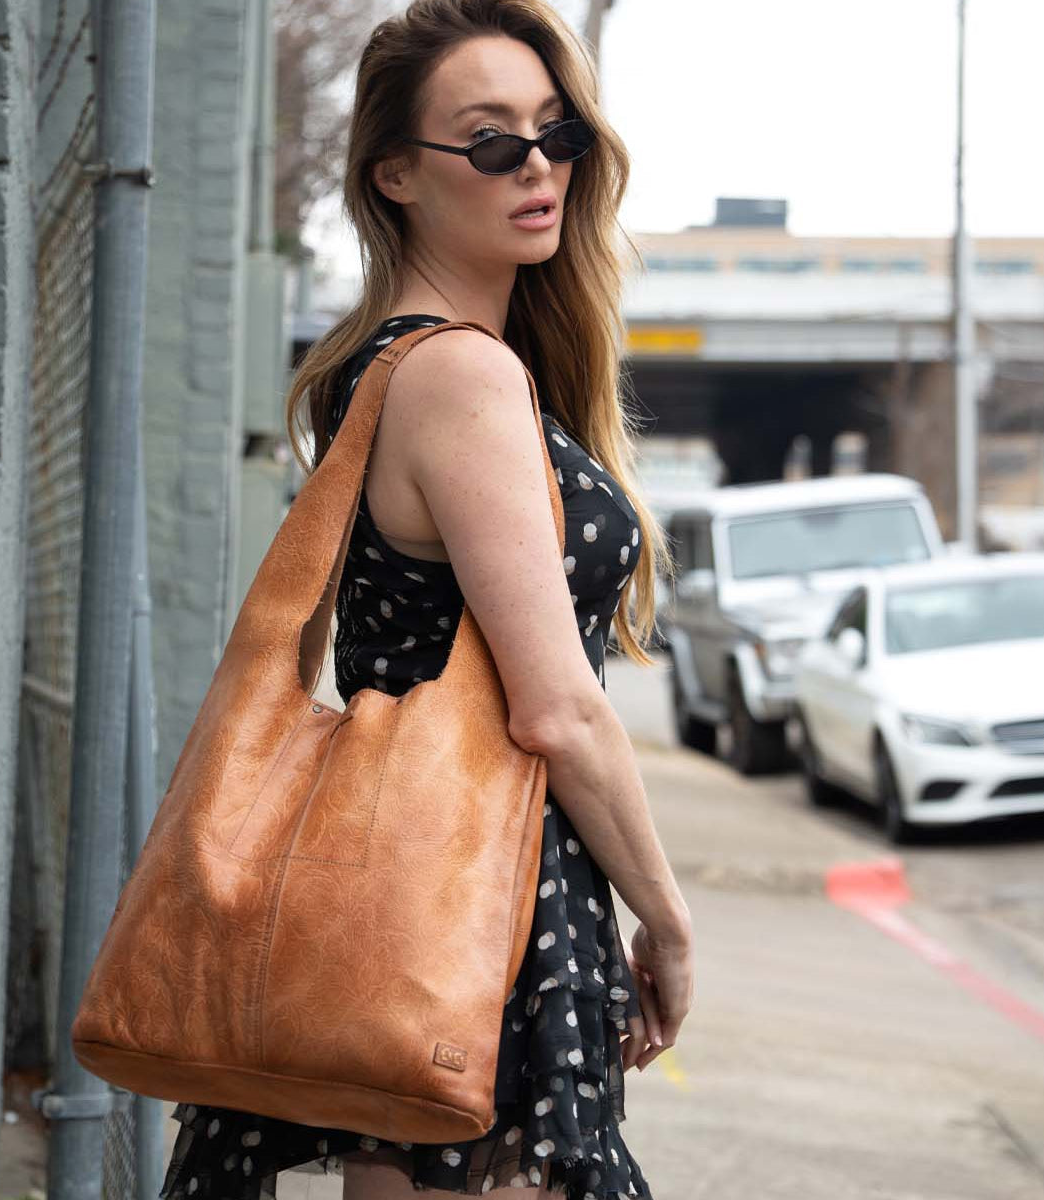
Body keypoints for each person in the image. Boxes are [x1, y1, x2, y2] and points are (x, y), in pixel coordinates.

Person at [159, 1, 694, 1196]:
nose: (539, 165)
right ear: (396, 173)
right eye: (492, 141)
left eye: (557, 135)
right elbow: (557, 709)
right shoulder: (458, 374)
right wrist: (667, 915)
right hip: (481, 911)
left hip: (440, 900)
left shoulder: (409, 363)